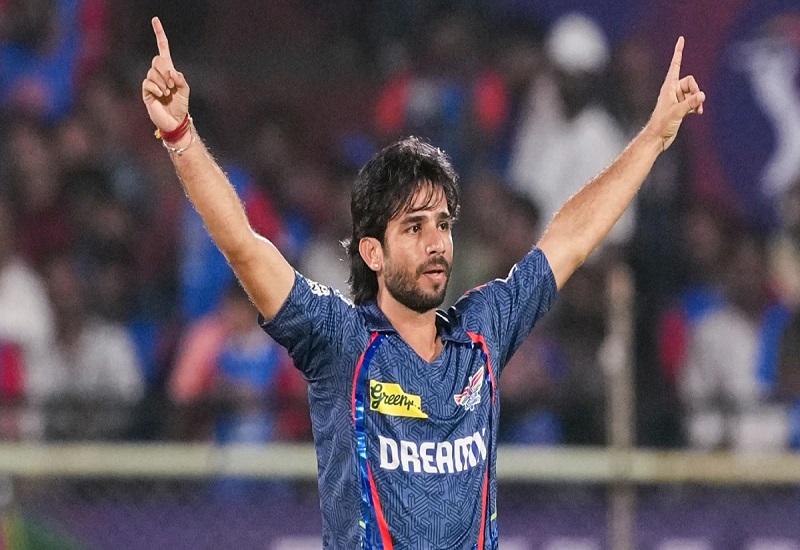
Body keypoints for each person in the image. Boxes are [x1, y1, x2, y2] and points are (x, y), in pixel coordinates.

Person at [142, 16, 705, 550]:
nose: (437, 242)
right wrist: (181, 135)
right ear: (373, 252)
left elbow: (571, 238)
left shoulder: (482, 331)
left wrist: (653, 138)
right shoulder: (341, 341)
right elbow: (244, 245)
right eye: (414, 227)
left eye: (443, 224)